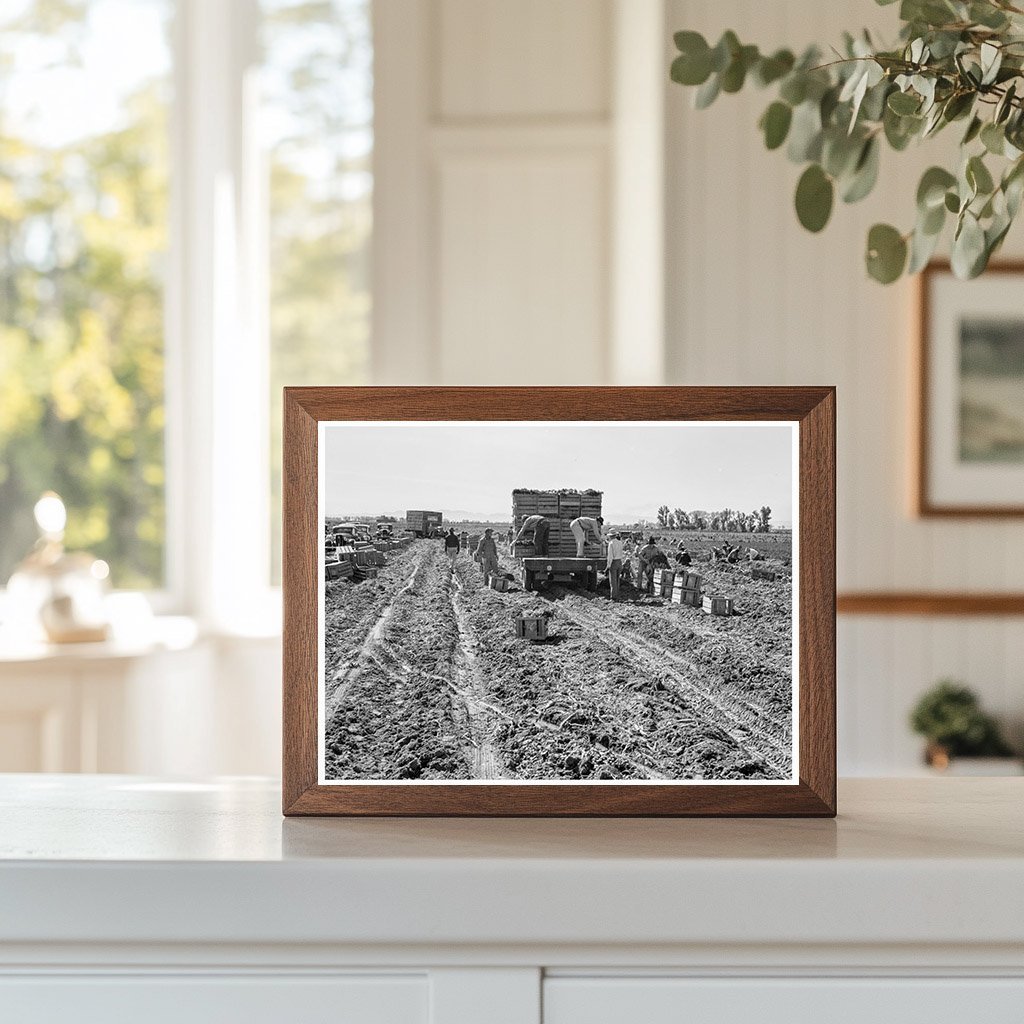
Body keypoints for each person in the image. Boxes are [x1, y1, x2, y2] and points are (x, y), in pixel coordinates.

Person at [605, 530, 625, 601]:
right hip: (619, 561)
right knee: (617, 580)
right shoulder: (620, 542)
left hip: (614, 562)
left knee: (613, 581)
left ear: (610, 536)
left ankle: (613, 597)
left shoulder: (611, 544)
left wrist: (608, 566)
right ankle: (617, 595)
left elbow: (610, 556)